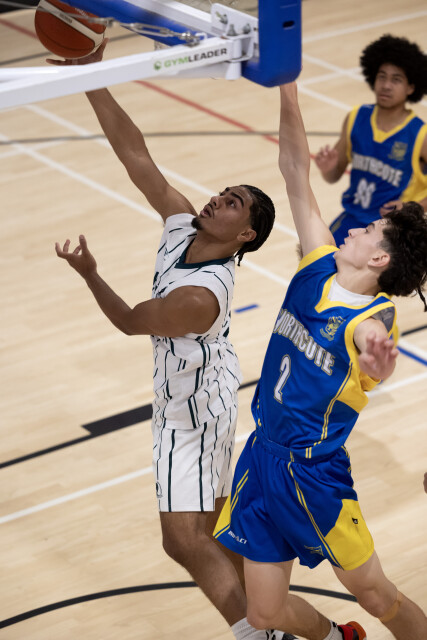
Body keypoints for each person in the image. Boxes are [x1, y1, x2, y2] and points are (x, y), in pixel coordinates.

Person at [52, 41, 305, 640]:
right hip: (196, 384)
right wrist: (91, 76)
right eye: (223, 191)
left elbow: (129, 320)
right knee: (210, 533)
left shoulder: (200, 296)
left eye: (232, 203)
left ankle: (260, 634)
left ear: (244, 235)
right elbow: (135, 153)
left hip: (195, 407)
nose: (217, 199)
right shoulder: (181, 223)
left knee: (182, 539)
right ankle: (281, 626)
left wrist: (90, 274)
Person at [213, 81, 427, 640]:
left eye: (368, 230)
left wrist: (379, 365)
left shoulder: (371, 321)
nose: (354, 227)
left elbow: (375, 360)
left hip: (314, 474)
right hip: (263, 455)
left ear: (379, 259)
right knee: (262, 614)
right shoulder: (319, 263)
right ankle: (339, 637)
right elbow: (294, 171)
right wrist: (288, 91)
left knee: (377, 595)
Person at [314, 34, 427, 246]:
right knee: (315, 258)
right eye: (382, 77)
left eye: (396, 80)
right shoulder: (356, 117)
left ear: (411, 87)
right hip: (353, 219)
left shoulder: (420, 134)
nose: (386, 85)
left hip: (394, 230)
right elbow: (333, 175)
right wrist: (328, 168)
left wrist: (414, 208)